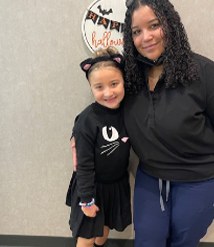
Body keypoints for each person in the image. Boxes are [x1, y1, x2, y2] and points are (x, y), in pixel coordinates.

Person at [115, 0, 214, 246]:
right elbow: (105, 108)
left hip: (201, 178)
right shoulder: (129, 78)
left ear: (170, 24)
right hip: (151, 177)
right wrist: (83, 131)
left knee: (182, 241)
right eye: (137, 31)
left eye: (154, 25)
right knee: (147, 241)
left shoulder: (207, 74)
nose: (146, 37)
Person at [66, 47, 132, 247]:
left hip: (116, 185)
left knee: (104, 230)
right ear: (91, 88)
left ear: (123, 82)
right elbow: (84, 165)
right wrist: (86, 199)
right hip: (91, 188)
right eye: (99, 87)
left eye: (114, 84)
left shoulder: (129, 110)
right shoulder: (87, 120)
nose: (108, 92)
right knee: (86, 236)